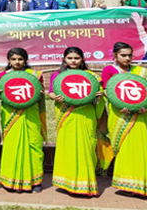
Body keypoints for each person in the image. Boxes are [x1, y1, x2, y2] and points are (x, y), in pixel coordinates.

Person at [101, 42, 147, 197]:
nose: (127, 58)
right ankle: (127, 185)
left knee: (141, 147)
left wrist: (145, 105)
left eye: (129, 55)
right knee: (124, 148)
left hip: (141, 115)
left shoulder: (142, 72)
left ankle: (145, 183)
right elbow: (106, 90)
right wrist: (118, 104)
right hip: (120, 114)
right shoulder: (109, 70)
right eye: (123, 55)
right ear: (114, 56)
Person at [48, 47, 102, 197]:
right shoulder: (58, 75)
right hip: (66, 114)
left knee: (88, 145)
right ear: (64, 59)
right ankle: (66, 182)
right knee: (68, 146)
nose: (73, 61)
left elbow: (100, 92)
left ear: (82, 59)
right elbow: (51, 92)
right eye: (70, 58)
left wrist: (99, 95)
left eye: (76, 58)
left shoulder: (91, 76)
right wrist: (54, 97)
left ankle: (86, 183)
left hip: (86, 114)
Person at [0, 48, 45, 192]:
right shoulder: (2, 76)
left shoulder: (35, 75)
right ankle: (11, 181)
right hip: (11, 115)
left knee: (34, 145)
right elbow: (0, 96)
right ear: (9, 61)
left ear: (25, 60)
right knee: (12, 147)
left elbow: (39, 96)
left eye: (20, 59)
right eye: (14, 59)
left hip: (30, 115)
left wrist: (40, 94)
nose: (17, 62)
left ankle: (35, 181)